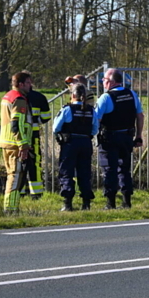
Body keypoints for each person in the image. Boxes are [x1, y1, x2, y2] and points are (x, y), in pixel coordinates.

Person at [92, 68, 144, 209]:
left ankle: (111, 203)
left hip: (109, 138)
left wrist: (92, 134)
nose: (103, 82)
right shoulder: (132, 94)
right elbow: (140, 116)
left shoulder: (106, 97)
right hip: (127, 137)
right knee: (125, 169)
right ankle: (127, 201)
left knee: (109, 170)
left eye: (105, 80)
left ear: (112, 82)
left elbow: (96, 119)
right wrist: (139, 135)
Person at [53, 83, 98, 211]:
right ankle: (86, 203)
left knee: (66, 172)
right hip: (85, 143)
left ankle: (68, 203)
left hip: (70, 143)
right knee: (85, 173)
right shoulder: (91, 110)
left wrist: (61, 135)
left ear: (72, 95)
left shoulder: (68, 109)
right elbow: (95, 130)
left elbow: (55, 128)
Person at [0, 71, 35, 215]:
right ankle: (10, 210)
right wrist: (23, 145)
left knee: (12, 175)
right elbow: (17, 124)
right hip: (15, 145)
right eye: (27, 83)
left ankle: (11, 208)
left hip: (7, 142)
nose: (30, 86)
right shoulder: (19, 99)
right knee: (15, 177)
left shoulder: (8, 96)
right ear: (20, 84)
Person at [22, 77, 51, 199]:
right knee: (34, 164)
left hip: (17, 136)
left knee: (19, 164)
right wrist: (36, 121)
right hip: (33, 136)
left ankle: (19, 192)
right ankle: (36, 193)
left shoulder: (13, 97)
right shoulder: (39, 97)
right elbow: (46, 116)